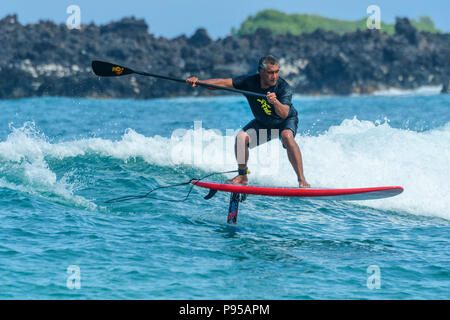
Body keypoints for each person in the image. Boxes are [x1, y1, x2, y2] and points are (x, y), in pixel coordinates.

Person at [186, 55, 310, 188]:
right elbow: (222, 83)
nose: (274, 76)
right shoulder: (249, 82)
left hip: (284, 121)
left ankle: (302, 180)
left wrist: (275, 102)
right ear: (260, 72)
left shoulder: (283, 87)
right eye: (270, 73)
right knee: (241, 138)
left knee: (286, 136)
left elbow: (284, 113)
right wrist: (199, 82)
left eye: (276, 72)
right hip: (264, 123)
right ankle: (242, 176)